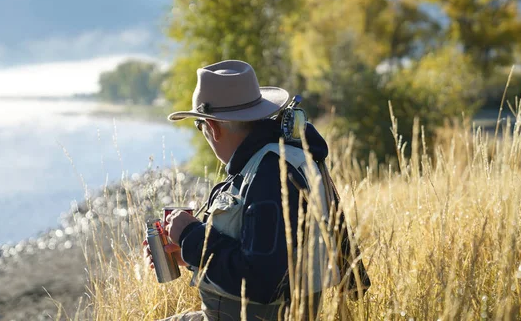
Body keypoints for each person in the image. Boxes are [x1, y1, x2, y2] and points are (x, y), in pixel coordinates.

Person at [144, 60, 360, 321]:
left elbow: (262, 282)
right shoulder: (272, 162)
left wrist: (190, 236)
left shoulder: (269, 174)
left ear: (212, 127)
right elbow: (263, 255)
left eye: (199, 126)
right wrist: (189, 255)